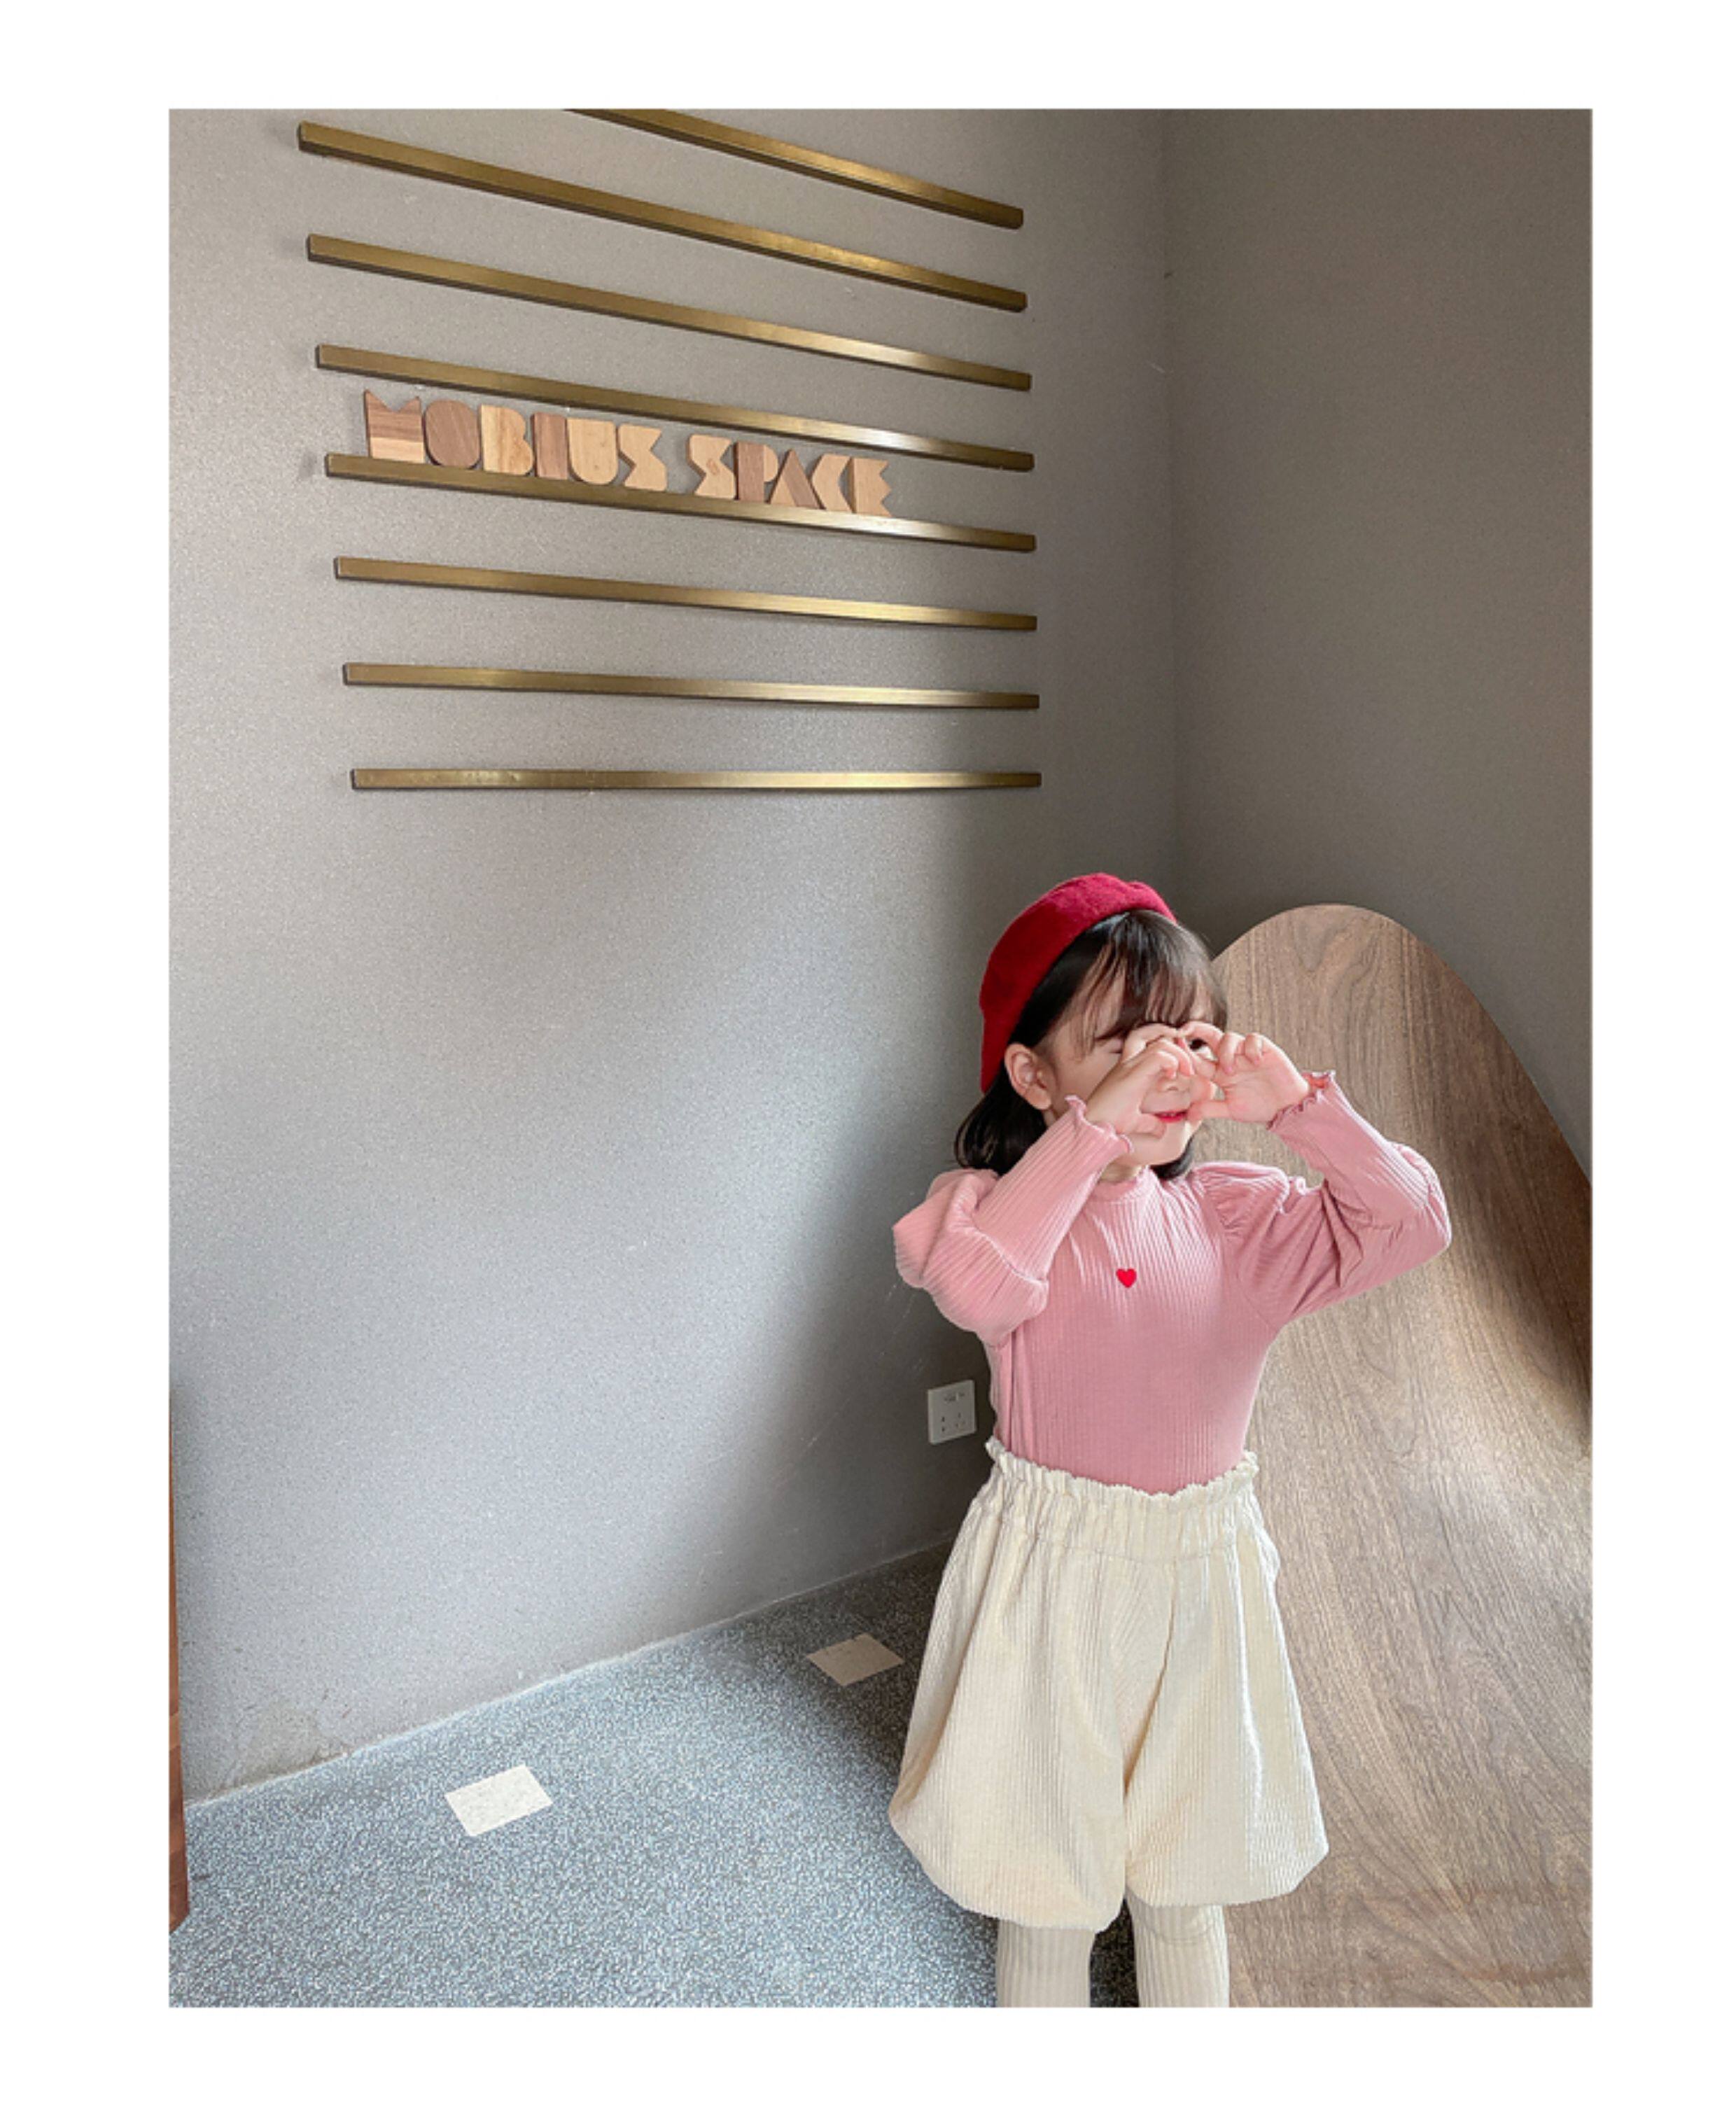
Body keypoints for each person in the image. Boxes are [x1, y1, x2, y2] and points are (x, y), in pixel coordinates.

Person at [887, 873, 1452, 2006]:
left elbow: (1411, 1222)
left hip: (1203, 1586)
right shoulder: (990, 1211)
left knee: (1188, 1888)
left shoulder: (1234, 1216)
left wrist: (1298, 1108)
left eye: (1187, 1040)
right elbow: (976, 1286)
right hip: (1049, 1588)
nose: (1166, 1069)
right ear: (1035, 1076)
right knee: (1046, 1892)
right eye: (1123, 1046)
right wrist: (1091, 1135)